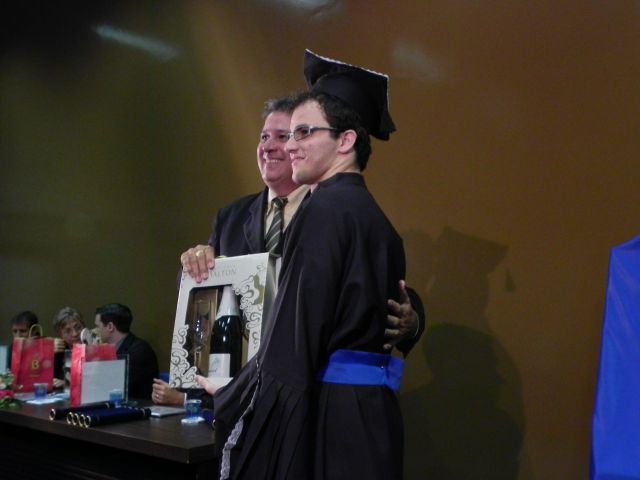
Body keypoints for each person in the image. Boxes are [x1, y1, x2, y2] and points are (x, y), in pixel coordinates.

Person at [202, 50, 410, 479]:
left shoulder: (322, 211)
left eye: (303, 132)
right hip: (373, 415)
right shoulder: (375, 219)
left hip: (334, 420)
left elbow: (295, 342)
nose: (289, 145)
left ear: (345, 141)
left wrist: (232, 392)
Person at [152, 95, 425, 407]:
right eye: (264, 137)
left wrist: (413, 320)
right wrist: (195, 266)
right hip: (234, 390)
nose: (270, 146)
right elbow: (202, 297)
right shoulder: (232, 216)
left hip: (302, 389)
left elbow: (371, 280)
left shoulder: (330, 207)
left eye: (286, 136)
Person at [94, 303, 158, 399]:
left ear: (110, 327)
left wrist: (94, 356)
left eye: (98, 326)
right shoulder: (113, 348)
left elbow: (113, 386)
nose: (95, 331)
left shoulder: (139, 351)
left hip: (138, 405)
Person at [52, 307, 85, 387]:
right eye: (68, 331)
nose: (75, 334)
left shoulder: (93, 347)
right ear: (60, 335)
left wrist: (67, 384)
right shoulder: (58, 353)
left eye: (78, 327)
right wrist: (48, 353)